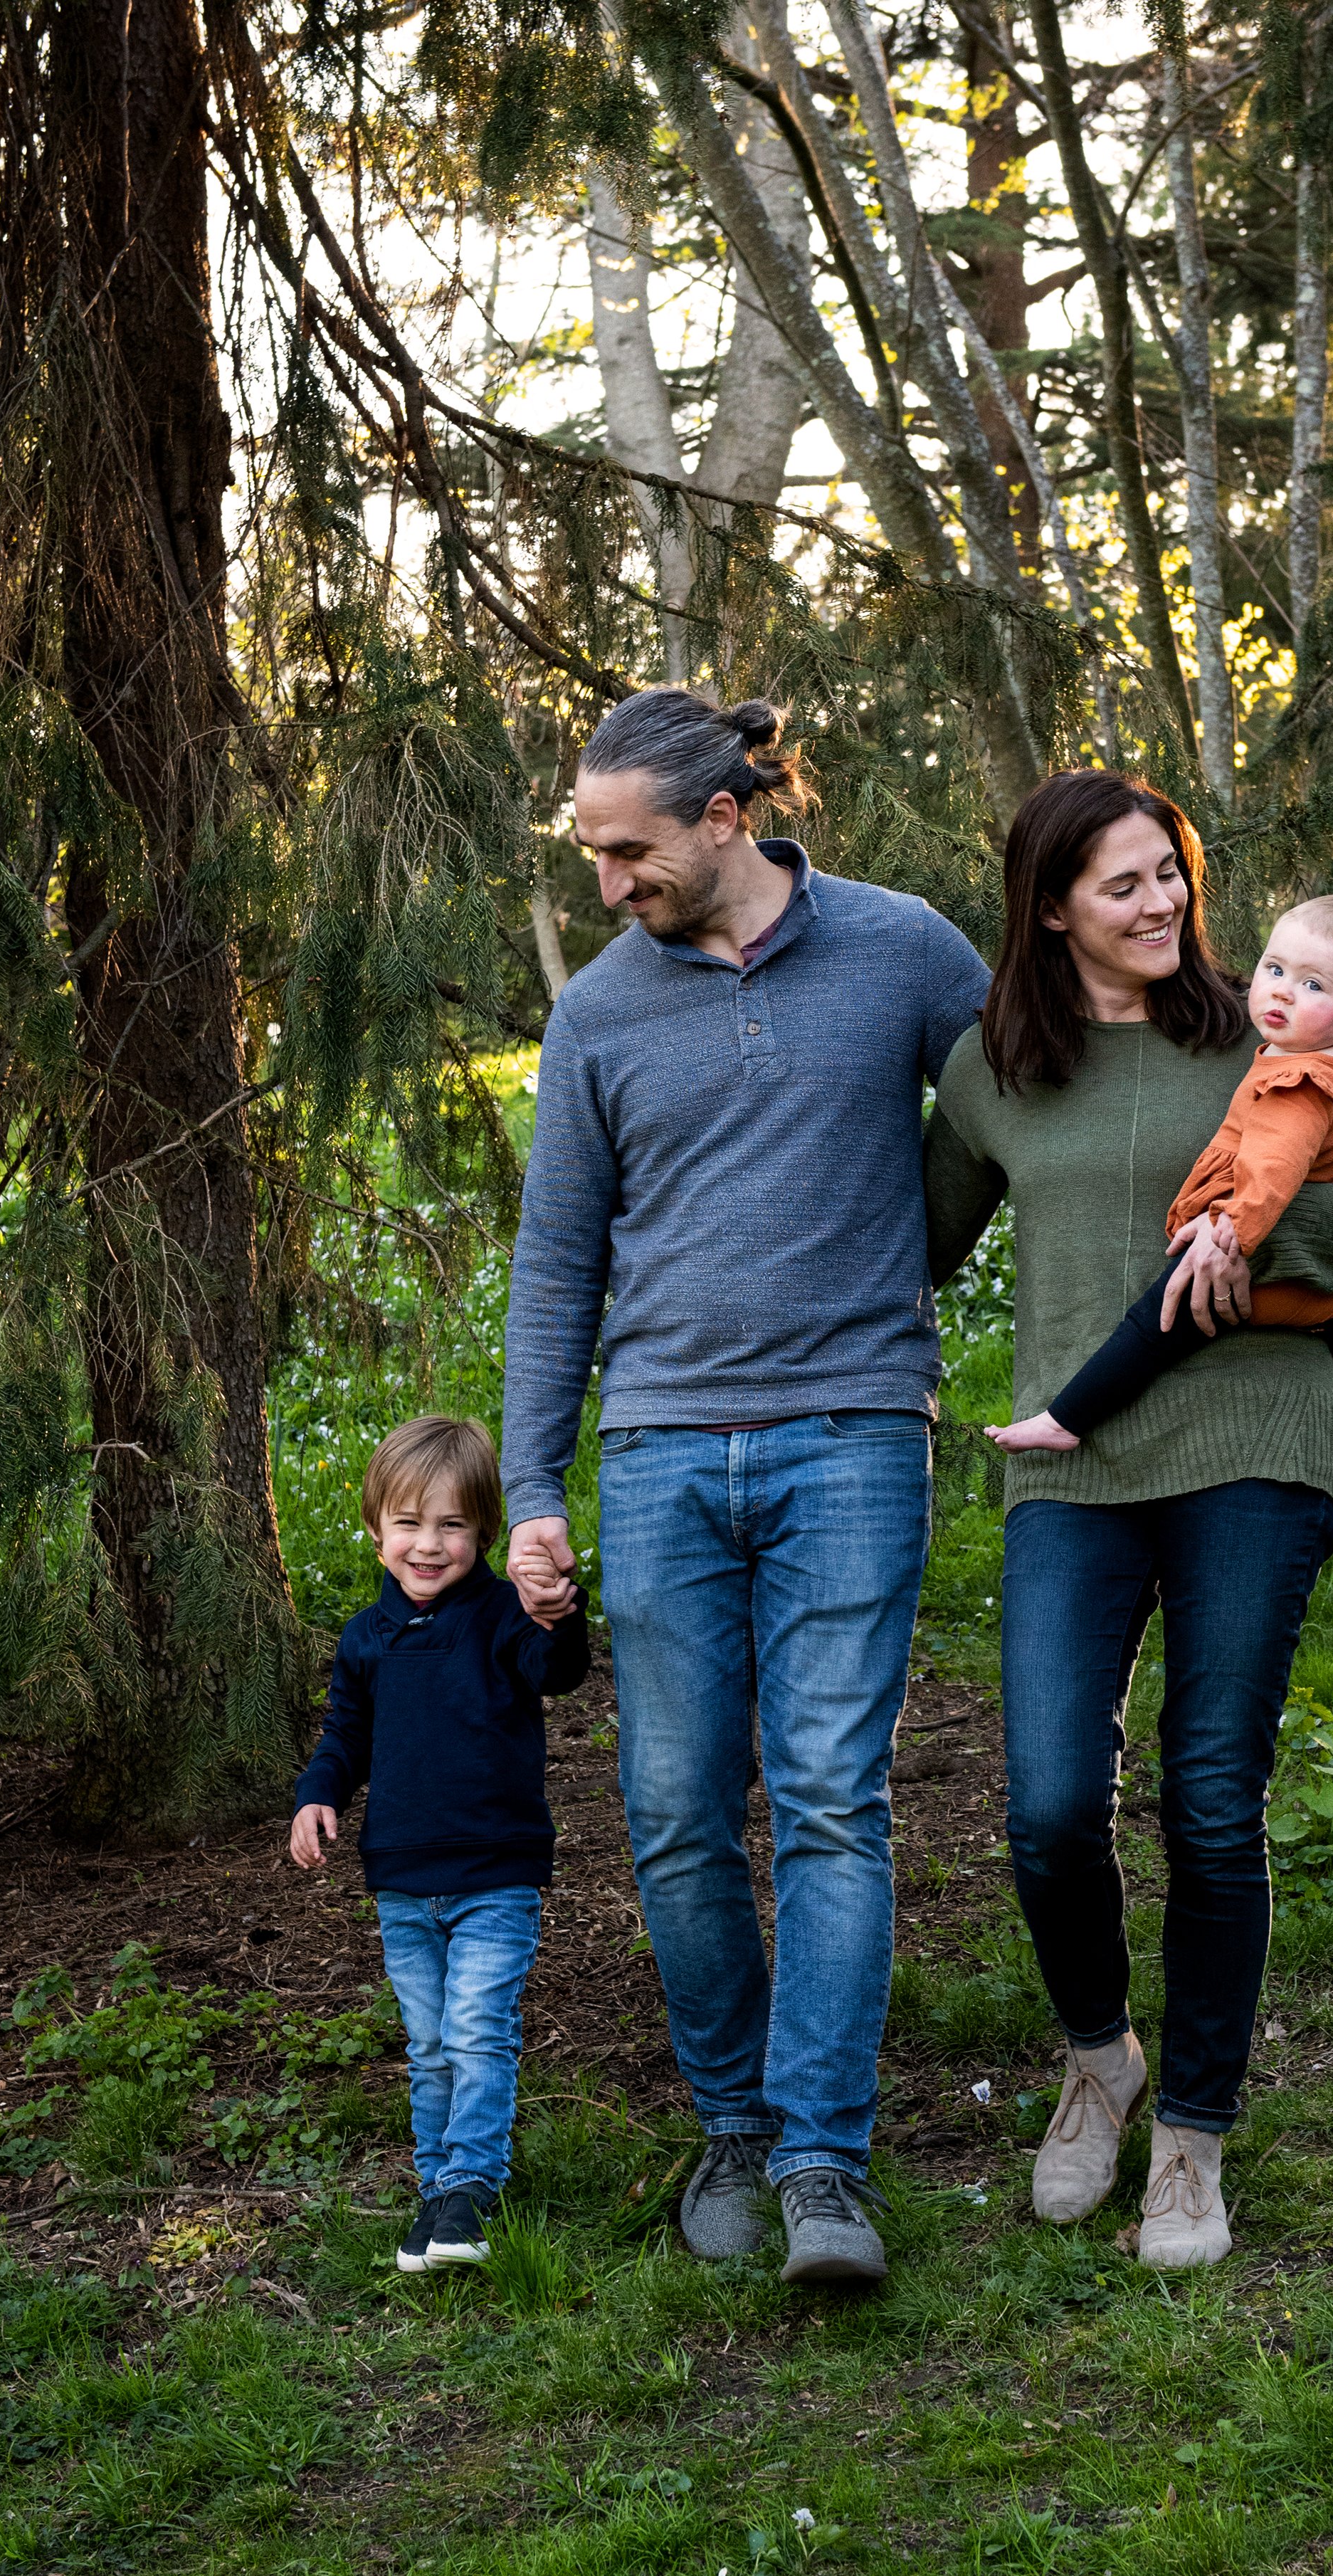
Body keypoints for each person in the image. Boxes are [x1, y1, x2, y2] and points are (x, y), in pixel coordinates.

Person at [498, 686, 991, 2287]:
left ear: (724, 819)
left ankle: (822, 2163)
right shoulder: (598, 1011)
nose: (605, 881)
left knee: (834, 1801)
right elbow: (558, 1257)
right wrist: (530, 1485)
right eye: (588, 852)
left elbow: (1004, 1120)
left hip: (850, 1435)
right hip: (651, 1455)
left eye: (626, 848)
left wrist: (898, 1266)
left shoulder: (905, 948)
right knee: (671, 1811)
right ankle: (728, 2121)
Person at [924, 772, 1333, 2269]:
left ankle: (1190, 2143)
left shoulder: (1272, 1031)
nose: (1158, 905)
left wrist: (1255, 1220)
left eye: (1169, 875)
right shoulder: (991, 1069)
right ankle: (1100, 2060)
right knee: (1040, 1810)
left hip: (1251, 1441)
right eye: (1120, 886)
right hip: (1067, 1470)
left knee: (1209, 1799)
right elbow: (908, 1236)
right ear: (1046, 908)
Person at [986, 894, 1333, 1495]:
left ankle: (1067, 1418)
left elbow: (1271, 1170)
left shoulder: (1295, 1087)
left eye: (1312, 986)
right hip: (1322, 1292)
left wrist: (1228, 1232)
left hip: (1249, 1270)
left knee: (1159, 1319)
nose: (1281, 993)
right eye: (1275, 970)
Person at [290, 1414, 589, 2275]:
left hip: (495, 1870)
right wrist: (316, 1796)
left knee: (476, 2030)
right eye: (409, 1524)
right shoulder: (365, 1639)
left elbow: (556, 1670)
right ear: (376, 1529)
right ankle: (437, 2194)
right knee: (427, 2043)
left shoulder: (501, 1615)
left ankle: (469, 2189)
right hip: (403, 1878)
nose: (428, 1545)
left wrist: (557, 1609)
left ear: (485, 1531)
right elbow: (344, 1735)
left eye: (452, 1525)